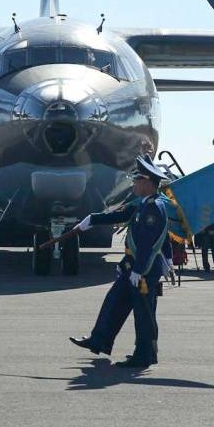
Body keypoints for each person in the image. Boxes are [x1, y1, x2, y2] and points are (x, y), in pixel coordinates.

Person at [64, 157, 168, 369]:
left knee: (144, 313)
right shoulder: (142, 205)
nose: (134, 183)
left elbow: (148, 243)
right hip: (132, 267)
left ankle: (144, 354)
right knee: (114, 301)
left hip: (143, 270)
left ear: (147, 182)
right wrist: (91, 220)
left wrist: (139, 270)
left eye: (137, 179)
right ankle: (99, 339)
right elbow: (119, 216)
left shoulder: (154, 208)